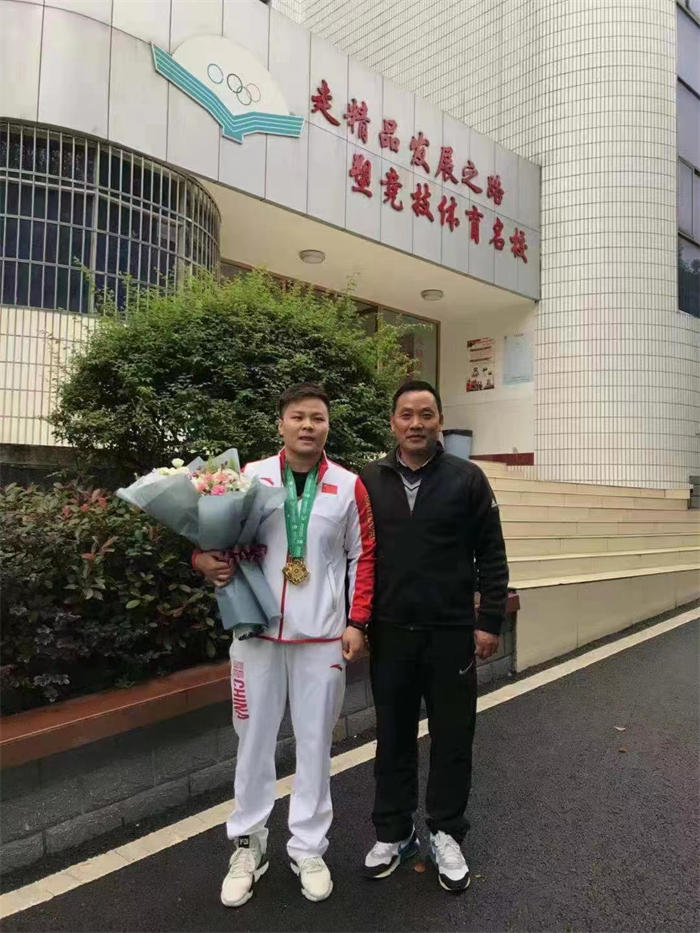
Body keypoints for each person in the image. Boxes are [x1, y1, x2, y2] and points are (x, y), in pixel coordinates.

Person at [193, 383, 374, 907]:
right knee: (253, 741)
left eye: (317, 418)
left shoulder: (349, 485)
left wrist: (358, 620)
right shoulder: (248, 477)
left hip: (322, 637)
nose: (308, 426)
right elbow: (211, 539)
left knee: (316, 743)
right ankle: (248, 844)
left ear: (328, 426)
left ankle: (308, 847)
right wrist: (202, 561)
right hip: (256, 632)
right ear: (281, 424)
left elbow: (364, 555)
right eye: (298, 417)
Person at [359, 380, 508, 893]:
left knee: (452, 737)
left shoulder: (468, 479)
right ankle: (394, 832)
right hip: (390, 634)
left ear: (440, 421)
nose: (416, 423)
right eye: (406, 414)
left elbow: (492, 554)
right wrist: (356, 621)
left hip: (450, 635)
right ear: (393, 422)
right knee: (392, 736)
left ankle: (446, 831)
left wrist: (489, 620)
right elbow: (352, 553)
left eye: (426, 414)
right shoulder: (369, 480)